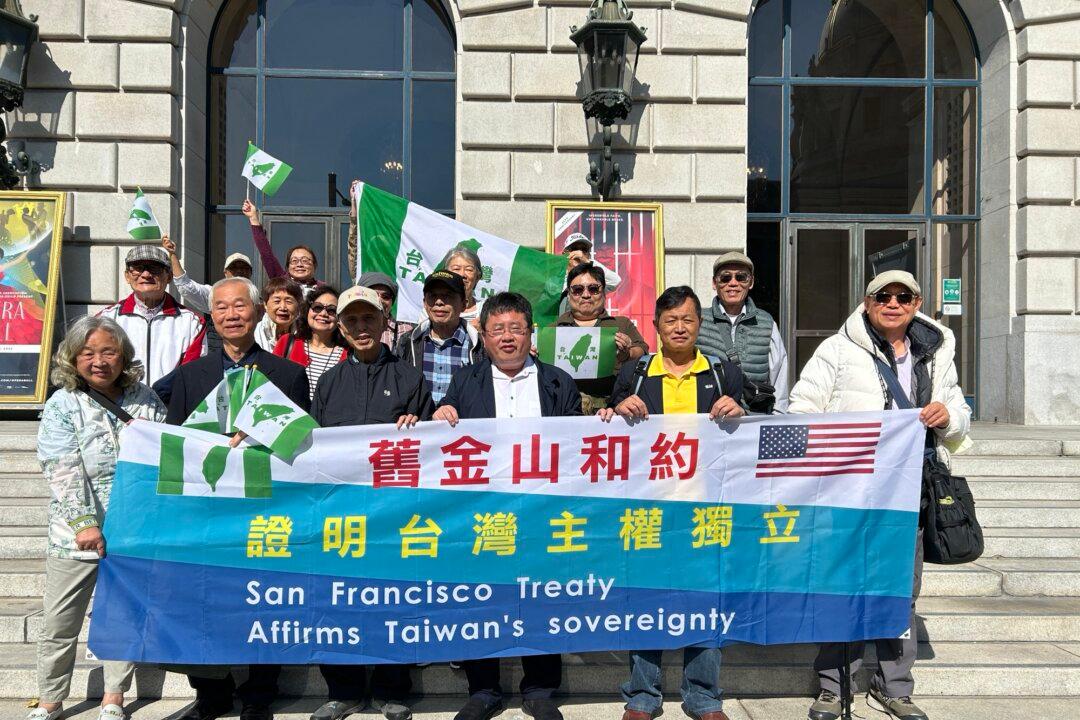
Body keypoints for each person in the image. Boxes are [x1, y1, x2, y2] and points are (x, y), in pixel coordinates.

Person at [788, 270, 970, 720]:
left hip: (910, 494)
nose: (892, 303)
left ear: (917, 301)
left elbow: (960, 415)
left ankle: (894, 687)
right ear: (866, 302)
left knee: (900, 593)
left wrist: (947, 416)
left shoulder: (935, 353)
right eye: (882, 296)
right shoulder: (837, 350)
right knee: (839, 587)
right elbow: (801, 409)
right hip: (847, 494)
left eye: (902, 296)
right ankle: (834, 686)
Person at [163, 277, 309, 720]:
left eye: (239, 306)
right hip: (207, 510)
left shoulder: (288, 374)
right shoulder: (189, 376)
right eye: (221, 307)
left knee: (267, 598)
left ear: (258, 310)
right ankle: (212, 690)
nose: (231, 314)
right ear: (212, 315)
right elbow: (175, 443)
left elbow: (302, 446)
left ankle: (261, 692)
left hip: (266, 505)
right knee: (204, 598)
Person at [433, 291, 581, 720]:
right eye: (498, 329)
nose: (508, 337)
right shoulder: (465, 381)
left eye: (517, 328)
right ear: (484, 334)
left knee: (541, 596)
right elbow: (444, 435)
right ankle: (483, 689)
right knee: (482, 595)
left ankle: (539, 688)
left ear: (530, 332)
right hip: (486, 511)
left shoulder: (558, 381)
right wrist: (442, 413)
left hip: (542, 510)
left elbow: (577, 442)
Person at [598, 286, 744, 720]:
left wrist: (738, 408)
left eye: (688, 319)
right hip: (648, 508)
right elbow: (607, 420)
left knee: (706, 601)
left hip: (706, 506)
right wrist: (620, 405)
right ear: (656, 327)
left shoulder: (722, 372)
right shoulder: (636, 372)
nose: (679, 328)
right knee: (646, 599)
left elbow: (747, 428)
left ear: (700, 324)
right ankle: (643, 695)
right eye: (670, 320)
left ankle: (703, 695)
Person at [30, 316, 166, 720]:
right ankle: (51, 698)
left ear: (123, 356)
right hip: (74, 534)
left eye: (109, 351)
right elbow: (61, 466)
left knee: (122, 615)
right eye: (88, 353)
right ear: (73, 358)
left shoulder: (145, 400)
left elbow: (162, 457)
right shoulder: (62, 403)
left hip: (131, 529)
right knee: (60, 620)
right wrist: (84, 523)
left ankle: (113, 696)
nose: (99, 361)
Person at [308, 284, 434, 720]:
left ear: (385, 323)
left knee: (392, 602)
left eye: (369, 319)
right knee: (338, 600)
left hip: (393, 517)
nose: (362, 328)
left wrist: (419, 425)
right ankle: (342, 691)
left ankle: (390, 689)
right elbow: (315, 449)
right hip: (341, 515)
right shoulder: (327, 383)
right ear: (340, 328)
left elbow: (433, 449)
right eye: (352, 321)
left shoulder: (411, 379)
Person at [97, 245, 207, 386]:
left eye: (154, 268)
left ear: (169, 276)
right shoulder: (106, 319)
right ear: (127, 276)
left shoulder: (192, 322)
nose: (146, 275)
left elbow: (192, 374)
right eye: (138, 268)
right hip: (120, 405)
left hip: (170, 405)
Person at [695, 251, 789, 412]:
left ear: (750, 282)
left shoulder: (766, 322)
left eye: (741, 277)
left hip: (752, 420)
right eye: (725, 277)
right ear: (714, 283)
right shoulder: (698, 321)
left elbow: (779, 374)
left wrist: (778, 416)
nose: (733, 283)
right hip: (708, 420)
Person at [553, 262, 647, 414]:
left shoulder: (621, 324)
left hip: (610, 411)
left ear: (604, 293)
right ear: (569, 295)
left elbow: (643, 352)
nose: (585, 295)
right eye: (577, 290)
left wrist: (628, 352)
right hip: (563, 412)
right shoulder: (553, 330)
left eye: (593, 289)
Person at [394, 270, 484, 403]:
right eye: (433, 296)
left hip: (463, 423)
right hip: (418, 423)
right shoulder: (408, 342)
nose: (439, 302)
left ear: (463, 304)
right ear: (425, 303)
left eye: (448, 295)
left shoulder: (478, 344)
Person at [274, 285, 348, 400]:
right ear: (307, 310)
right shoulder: (287, 342)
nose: (323, 313)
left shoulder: (348, 353)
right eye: (317, 307)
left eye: (331, 310)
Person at [242, 198, 322, 294]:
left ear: (315, 265)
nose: (299, 265)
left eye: (305, 260)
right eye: (294, 261)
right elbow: (266, 254)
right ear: (288, 267)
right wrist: (253, 218)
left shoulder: (323, 289)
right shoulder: (281, 282)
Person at [163, 233, 253, 314]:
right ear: (225, 273)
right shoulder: (214, 294)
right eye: (234, 268)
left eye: (244, 268)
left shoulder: (259, 300)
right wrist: (172, 253)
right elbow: (185, 285)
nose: (240, 271)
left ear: (251, 273)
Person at [357, 271, 415, 348]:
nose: (380, 300)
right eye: (373, 295)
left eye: (386, 296)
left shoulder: (405, 331)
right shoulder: (349, 328)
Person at [256, 276, 303, 352]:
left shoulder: (305, 334)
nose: (283, 307)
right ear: (265, 305)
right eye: (277, 301)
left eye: (289, 302)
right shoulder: (254, 335)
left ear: (298, 306)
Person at [442, 246, 485, 326]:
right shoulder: (435, 308)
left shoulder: (486, 310)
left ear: (478, 277)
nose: (462, 274)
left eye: (469, 269)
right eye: (456, 269)